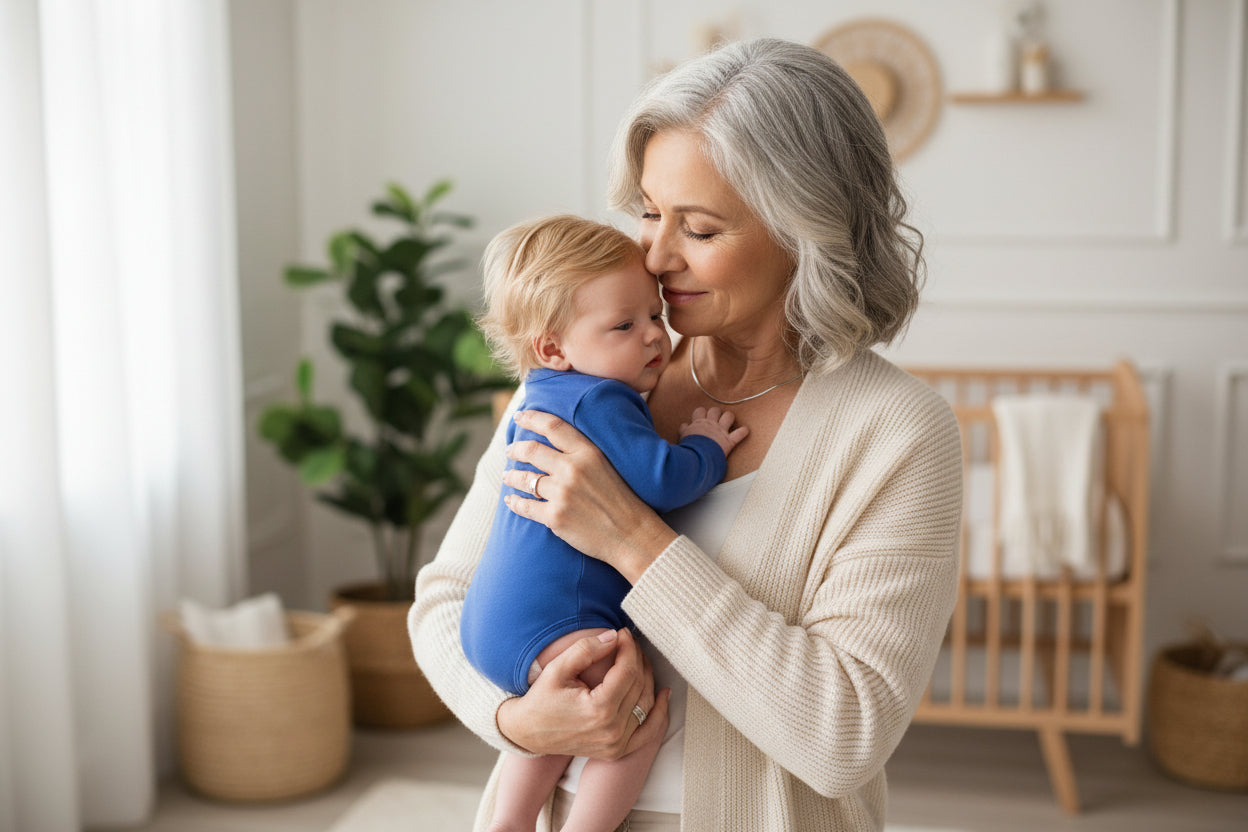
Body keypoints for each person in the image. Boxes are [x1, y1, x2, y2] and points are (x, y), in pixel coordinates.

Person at [410, 37, 963, 832]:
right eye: (646, 211)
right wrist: (519, 723)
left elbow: (846, 735)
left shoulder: (896, 433)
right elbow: (445, 600)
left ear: (806, 232)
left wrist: (635, 540)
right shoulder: (591, 378)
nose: (655, 255)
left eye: (699, 228)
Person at [460, 214, 749, 832]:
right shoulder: (602, 398)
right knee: (633, 721)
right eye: (624, 325)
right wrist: (706, 448)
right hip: (557, 623)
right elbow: (662, 481)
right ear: (554, 347)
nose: (653, 337)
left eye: (653, 315)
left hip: (492, 625)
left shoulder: (539, 395)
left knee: (556, 726)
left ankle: (506, 822)